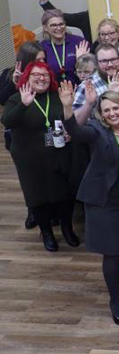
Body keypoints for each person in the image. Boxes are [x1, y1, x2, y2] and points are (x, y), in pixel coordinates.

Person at [65, 89, 119, 326]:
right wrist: (70, 107)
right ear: (101, 114)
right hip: (104, 200)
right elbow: (75, 131)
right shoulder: (97, 130)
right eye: (107, 110)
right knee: (112, 252)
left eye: (115, 108)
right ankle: (115, 300)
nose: (112, 113)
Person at [3, 61, 78, 251]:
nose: (41, 78)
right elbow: (7, 121)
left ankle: (67, 229)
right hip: (29, 159)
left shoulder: (56, 96)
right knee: (38, 197)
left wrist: (69, 131)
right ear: (27, 77)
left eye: (45, 75)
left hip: (57, 152)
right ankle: (47, 233)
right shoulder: (16, 98)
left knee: (63, 195)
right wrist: (23, 104)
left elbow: (68, 118)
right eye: (36, 74)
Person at [39, 9, 87, 84]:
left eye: (61, 24)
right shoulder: (42, 47)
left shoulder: (79, 42)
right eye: (54, 25)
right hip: (54, 91)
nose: (58, 28)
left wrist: (81, 60)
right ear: (45, 28)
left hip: (80, 87)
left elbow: (92, 70)